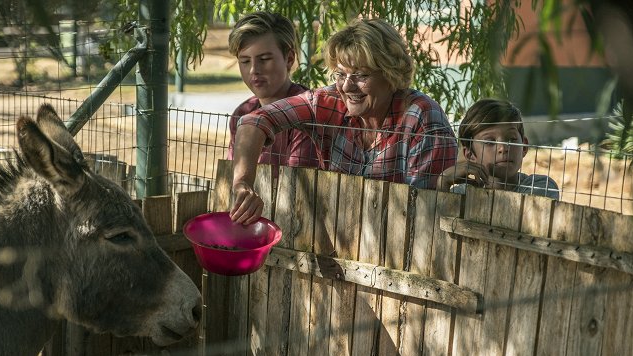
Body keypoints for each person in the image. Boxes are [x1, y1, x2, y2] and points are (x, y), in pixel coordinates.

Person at [230, 18, 458, 224]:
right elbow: (256, 121)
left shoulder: (422, 117)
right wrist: (243, 184)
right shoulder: (329, 102)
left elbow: (425, 210)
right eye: (340, 74)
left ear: (391, 74)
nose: (347, 86)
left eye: (361, 75)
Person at [227, 11, 318, 176]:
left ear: (289, 59)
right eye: (245, 61)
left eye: (264, 59)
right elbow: (232, 178)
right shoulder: (242, 114)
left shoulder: (307, 112)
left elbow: (297, 186)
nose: (254, 70)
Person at [437, 98, 559, 200]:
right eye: (489, 142)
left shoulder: (540, 187)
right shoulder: (461, 193)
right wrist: (443, 183)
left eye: (511, 139)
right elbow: (435, 227)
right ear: (470, 155)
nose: (503, 148)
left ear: (524, 147)